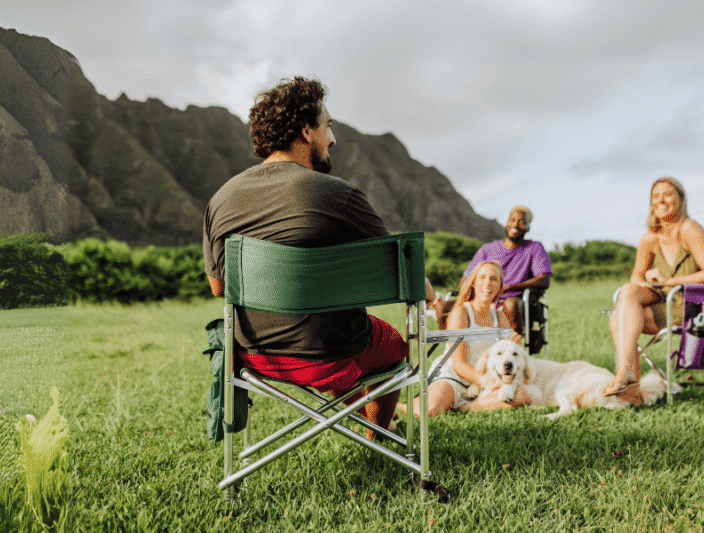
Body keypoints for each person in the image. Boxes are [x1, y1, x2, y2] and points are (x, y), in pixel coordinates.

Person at [202, 76, 437, 440]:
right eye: (328, 126)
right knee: (389, 345)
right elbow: (405, 277)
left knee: (340, 337)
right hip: (328, 356)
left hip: (254, 355)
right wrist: (430, 290)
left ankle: (368, 423)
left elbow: (219, 287)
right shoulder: (338, 194)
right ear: (306, 131)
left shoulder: (221, 198)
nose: (333, 138)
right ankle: (379, 433)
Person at [606, 177, 704, 404]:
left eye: (668, 194)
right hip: (662, 300)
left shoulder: (689, 229)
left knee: (617, 318)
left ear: (680, 199)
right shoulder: (649, 238)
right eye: (655, 196)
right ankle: (627, 377)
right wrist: (647, 279)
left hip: (689, 307)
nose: (661, 200)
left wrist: (671, 280)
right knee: (628, 291)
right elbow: (636, 276)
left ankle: (630, 388)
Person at [404, 261, 527, 417]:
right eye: (482, 278)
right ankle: (402, 407)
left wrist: (513, 344)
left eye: (494, 279)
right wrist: (484, 381)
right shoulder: (461, 313)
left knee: (521, 396)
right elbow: (459, 364)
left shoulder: (499, 315)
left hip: (484, 378)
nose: (488, 283)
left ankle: (462, 408)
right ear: (473, 283)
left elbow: (505, 354)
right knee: (429, 410)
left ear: (500, 286)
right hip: (455, 375)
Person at [463, 206, 552, 333]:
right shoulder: (487, 249)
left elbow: (544, 280)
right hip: (484, 298)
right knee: (444, 306)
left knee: (511, 304)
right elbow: (466, 279)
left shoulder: (534, 248)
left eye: (522, 222)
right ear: (507, 223)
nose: (516, 225)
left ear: (528, 228)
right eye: (512, 220)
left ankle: (512, 346)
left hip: (513, 301)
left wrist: (510, 287)